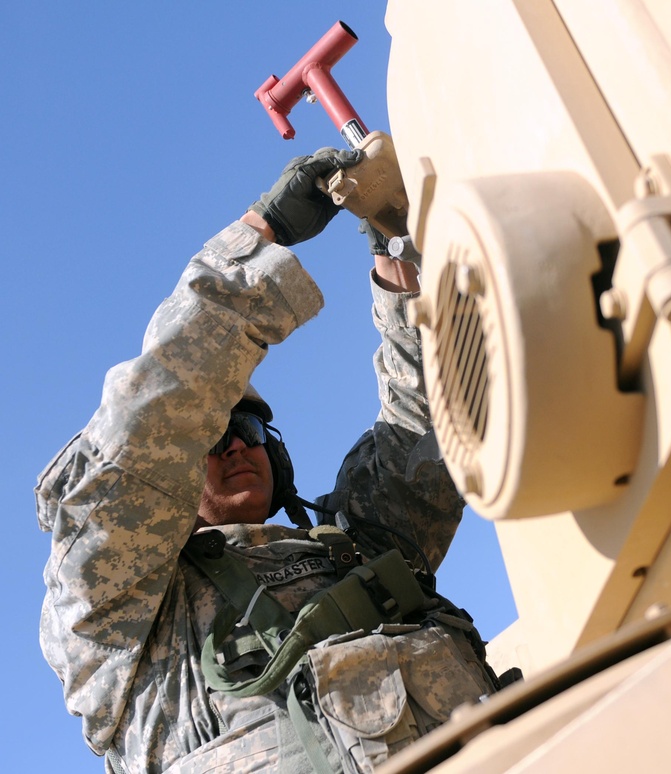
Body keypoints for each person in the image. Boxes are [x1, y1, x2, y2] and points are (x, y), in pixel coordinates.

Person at [36, 148, 497, 773]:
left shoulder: (352, 551)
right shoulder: (115, 611)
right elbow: (146, 428)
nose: (233, 444)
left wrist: (400, 269)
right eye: (207, 436)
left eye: (247, 426)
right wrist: (261, 234)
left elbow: (428, 428)